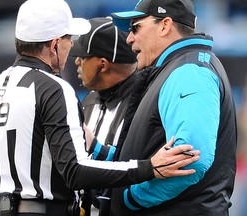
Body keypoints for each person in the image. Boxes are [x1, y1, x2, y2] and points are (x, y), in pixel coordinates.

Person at [0, 0, 200, 215]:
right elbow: (75, 170)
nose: (72, 50)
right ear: (54, 44)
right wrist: (149, 168)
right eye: (69, 39)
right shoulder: (53, 88)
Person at [95, 0, 237, 215]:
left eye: (136, 27)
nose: (130, 38)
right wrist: (96, 149)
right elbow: (149, 145)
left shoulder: (189, 71)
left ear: (165, 25)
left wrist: (129, 198)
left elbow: (191, 160)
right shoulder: (176, 68)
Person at [69, 17, 138, 216]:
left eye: (83, 56)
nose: (76, 61)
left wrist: (95, 147)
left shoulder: (144, 101)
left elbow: (143, 166)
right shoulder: (90, 100)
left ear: (103, 64)